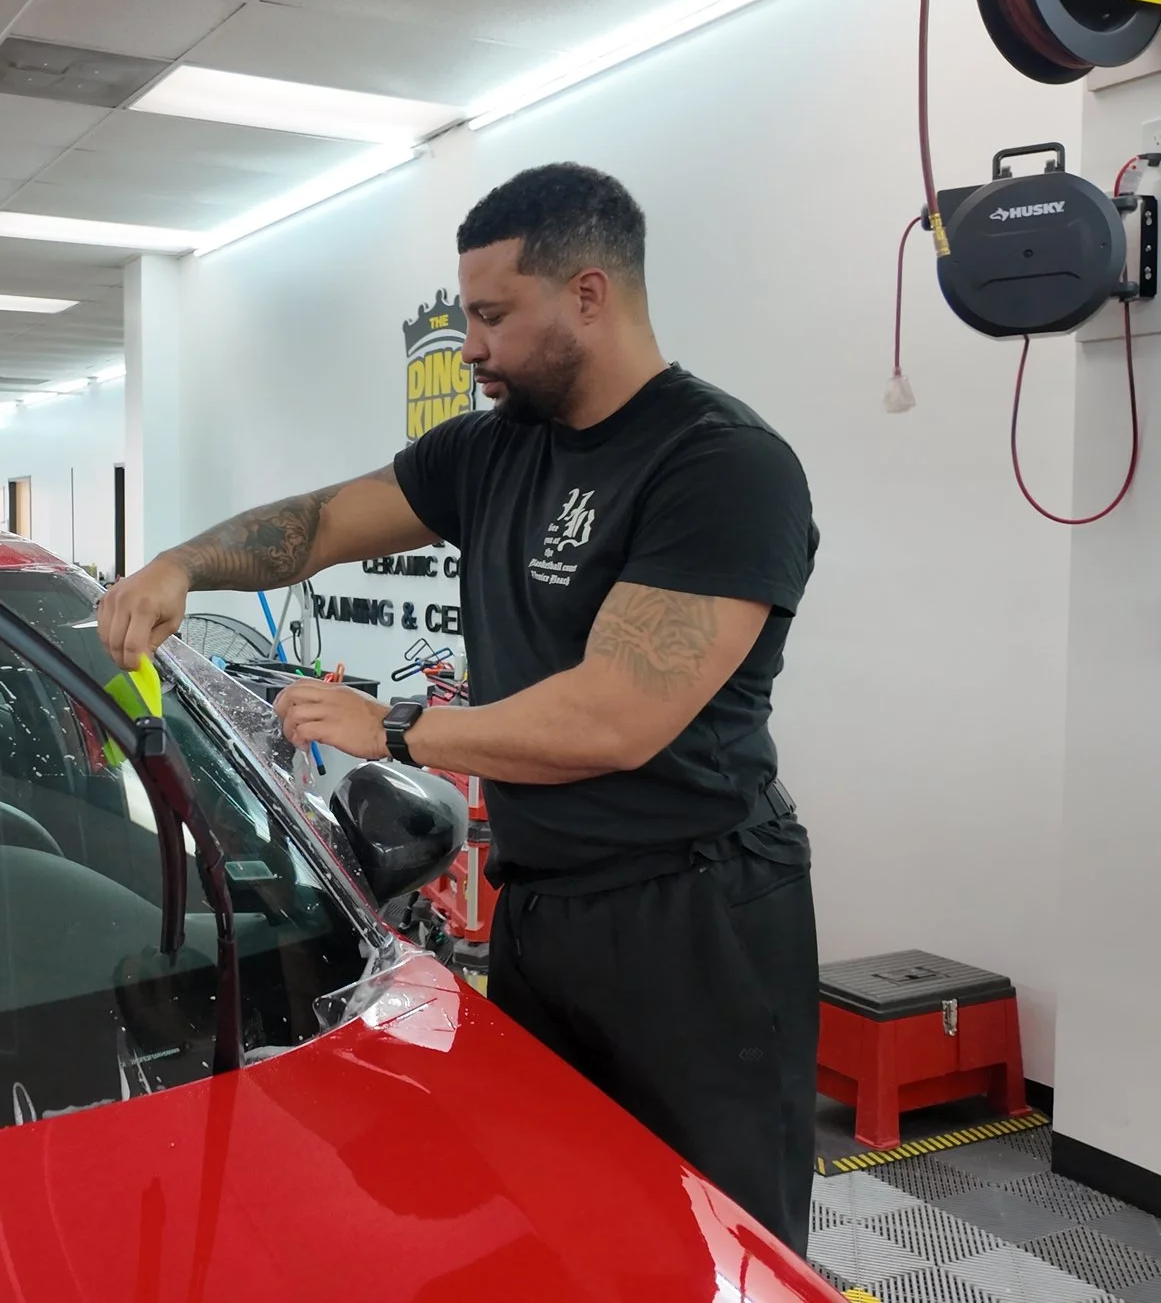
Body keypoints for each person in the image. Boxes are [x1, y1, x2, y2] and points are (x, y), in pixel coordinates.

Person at [96, 162, 821, 1250]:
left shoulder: (718, 464)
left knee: (713, 1231)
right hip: (547, 903)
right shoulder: (495, 447)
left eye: (491, 314)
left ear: (588, 293)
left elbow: (614, 718)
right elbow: (323, 520)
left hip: (693, 909)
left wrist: (391, 725)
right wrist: (180, 564)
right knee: (563, 1204)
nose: (469, 342)